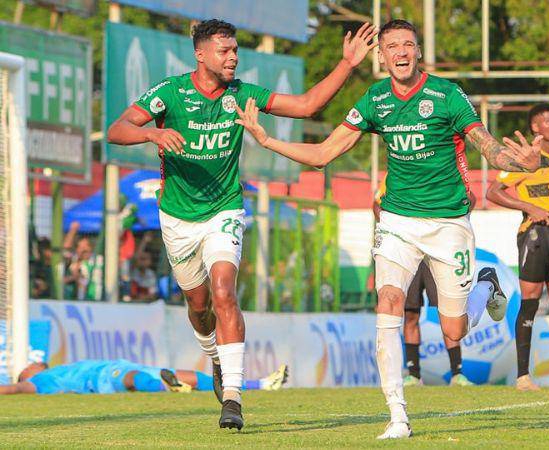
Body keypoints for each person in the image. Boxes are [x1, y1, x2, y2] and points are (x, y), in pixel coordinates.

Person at [235, 19, 541, 440]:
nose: (400, 52)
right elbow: (325, 152)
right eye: (392, 45)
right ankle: (397, 415)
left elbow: (485, 145)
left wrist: (517, 163)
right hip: (396, 221)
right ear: (381, 56)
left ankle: (487, 287)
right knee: (389, 301)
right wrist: (267, 142)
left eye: (408, 45)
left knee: (453, 330)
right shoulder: (375, 99)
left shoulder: (447, 95)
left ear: (418, 53)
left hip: (449, 223)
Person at [106, 18, 378, 430]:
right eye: (224, 50)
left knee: (223, 291)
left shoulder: (242, 95)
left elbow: (306, 106)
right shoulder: (169, 92)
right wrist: (152, 137)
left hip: (225, 209)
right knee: (198, 307)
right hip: (177, 217)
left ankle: (232, 397)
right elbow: (116, 129)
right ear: (200, 54)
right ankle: (215, 358)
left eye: (235, 50)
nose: (233, 57)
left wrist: (346, 65)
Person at [485, 103, 549, 392]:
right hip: (534, 236)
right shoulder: (525, 160)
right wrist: (528, 207)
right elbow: (493, 192)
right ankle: (523, 376)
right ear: (536, 128)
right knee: (530, 301)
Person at [372, 178, 475, 387]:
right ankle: (414, 374)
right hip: (408, 250)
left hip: (438, 250)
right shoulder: (398, 169)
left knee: (449, 317)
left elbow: (470, 197)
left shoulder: (442, 166)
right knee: (410, 314)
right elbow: (377, 203)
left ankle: (457, 373)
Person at [0, 360, 288, 395]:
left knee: (188, 374)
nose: (36, 362)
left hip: (116, 365)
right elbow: (12, 389)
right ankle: (166, 390)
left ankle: (261, 383)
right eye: (29, 364)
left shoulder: (53, 370)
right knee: (130, 377)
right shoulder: (38, 383)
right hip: (100, 378)